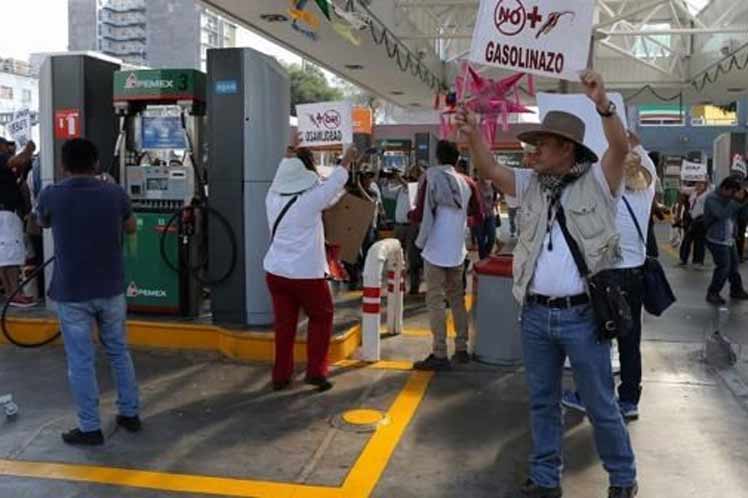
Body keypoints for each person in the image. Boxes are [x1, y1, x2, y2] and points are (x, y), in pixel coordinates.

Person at [457, 70, 638, 498]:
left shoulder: (599, 181)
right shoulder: (530, 185)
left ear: (567, 149)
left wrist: (603, 104)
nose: (533, 151)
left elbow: (619, 147)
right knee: (542, 401)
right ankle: (545, 478)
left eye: (542, 144)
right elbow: (490, 168)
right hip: (536, 314)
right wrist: (475, 133)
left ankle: (622, 477)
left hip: (583, 316)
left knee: (600, 403)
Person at [37, 138, 141, 446]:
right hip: (111, 288)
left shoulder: (51, 194)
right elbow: (132, 227)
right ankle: (130, 413)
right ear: (95, 163)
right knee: (119, 351)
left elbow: (40, 223)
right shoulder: (114, 192)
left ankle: (90, 428)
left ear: (63, 165)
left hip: (72, 291)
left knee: (81, 359)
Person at [562, 132, 657, 422]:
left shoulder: (609, 191)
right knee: (630, 339)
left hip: (607, 273)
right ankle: (629, 400)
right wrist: (633, 143)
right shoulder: (649, 183)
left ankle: (588, 395)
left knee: (597, 336)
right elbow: (644, 161)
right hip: (636, 272)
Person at [263, 137, 357, 392]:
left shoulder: (271, 196)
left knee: (284, 326)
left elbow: (286, 170)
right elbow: (335, 184)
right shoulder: (310, 200)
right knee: (321, 317)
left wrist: (289, 150)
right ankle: (315, 372)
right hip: (306, 275)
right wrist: (347, 160)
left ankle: (281, 376)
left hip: (276, 272)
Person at [411, 141, 483, 370]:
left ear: (438, 157)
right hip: (457, 250)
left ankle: (440, 353)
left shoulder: (431, 178)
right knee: (457, 299)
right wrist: (459, 223)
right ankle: (461, 349)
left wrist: (411, 214)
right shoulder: (468, 182)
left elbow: (419, 213)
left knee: (435, 301)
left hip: (434, 249)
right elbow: (479, 215)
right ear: (457, 159)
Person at [703, 176, 748, 305]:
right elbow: (721, 215)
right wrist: (735, 201)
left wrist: (745, 202)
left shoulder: (730, 199)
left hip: (729, 238)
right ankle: (713, 292)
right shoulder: (712, 198)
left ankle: (736, 290)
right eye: (732, 191)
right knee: (724, 267)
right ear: (724, 188)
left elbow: (742, 216)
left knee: (734, 266)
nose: (733, 194)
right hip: (716, 239)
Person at [679, 180, 709, 266]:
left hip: (701, 218)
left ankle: (698, 261)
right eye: (697, 183)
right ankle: (683, 259)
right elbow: (682, 189)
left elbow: (712, 188)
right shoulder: (694, 192)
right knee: (687, 239)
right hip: (691, 218)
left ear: (705, 185)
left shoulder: (707, 194)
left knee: (699, 241)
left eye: (701, 183)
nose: (698, 185)